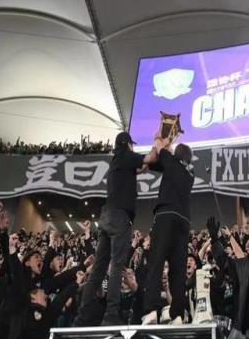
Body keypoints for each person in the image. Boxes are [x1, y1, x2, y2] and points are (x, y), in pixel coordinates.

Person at [75, 132, 160, 326]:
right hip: (120, 217)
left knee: (98, 269)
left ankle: (82, 316)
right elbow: (151, 158)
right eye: (132, 145)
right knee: (117, 266)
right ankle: (111, 314)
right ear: (128, 144)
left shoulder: (118, 161)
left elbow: (142, 167)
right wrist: (158, 140)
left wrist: (149, 156)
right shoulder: (125, 155)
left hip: (106, 217)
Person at [142, 142, 195, 325]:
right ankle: (178, 314)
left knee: (156, 261)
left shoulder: (170, 161)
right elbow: (157, 163)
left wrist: (164, 143)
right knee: (178, 269)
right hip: (184, 221)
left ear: (175, 155)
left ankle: (151, 311)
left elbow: (159, 146)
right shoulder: (190, 174)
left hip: (166, 215)